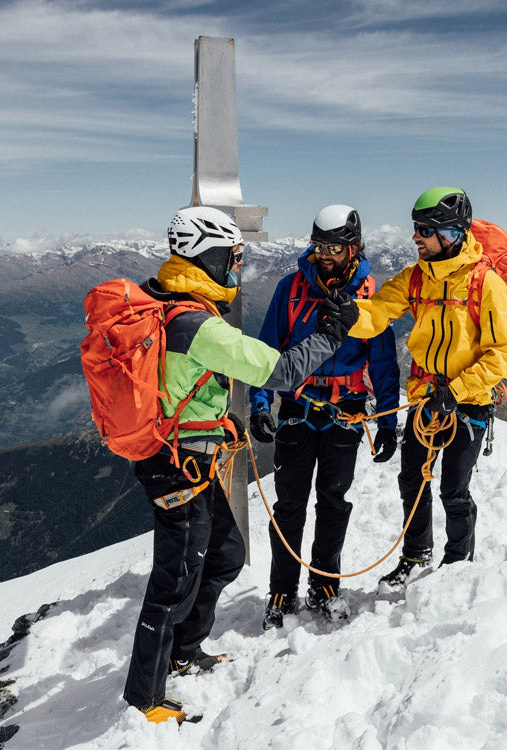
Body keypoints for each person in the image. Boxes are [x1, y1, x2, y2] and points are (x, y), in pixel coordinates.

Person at [121, 205, 360, 723]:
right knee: (174, 578)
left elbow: (182, 383)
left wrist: (215, 421)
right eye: (233, 257)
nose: (237, 266)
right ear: (207, 255)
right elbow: (280, 371)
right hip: (176, 466)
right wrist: (331, 335)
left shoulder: (174, 303)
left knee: (226, 553)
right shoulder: (196, 324)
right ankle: (145, 698)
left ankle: (183, 651)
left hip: (191, 455)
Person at [344, 187, 507, 589]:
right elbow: (377, 315)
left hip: (468, 403)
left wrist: (457, 390)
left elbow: (503, 356)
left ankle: (457, 567)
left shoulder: (485, 284)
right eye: (416, 228)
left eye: (424, 229)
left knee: (454, 490)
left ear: (452, 234)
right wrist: (345, 314)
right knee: (413, 480)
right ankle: (415, 554)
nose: (415, 237)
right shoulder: (416, 279)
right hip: (426, 398)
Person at [248, 204, 401, 630]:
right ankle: (281, 590)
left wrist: (388, 421)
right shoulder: (291, 288)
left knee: (333, 501)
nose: (325, 254)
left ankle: (324, 583)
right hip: (297, 409)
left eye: (334, 246)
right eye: (319, 245)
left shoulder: (370, 297)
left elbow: (384, 362)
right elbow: (266, 351)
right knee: (290, 504)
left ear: (354, 248)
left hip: (345, 412)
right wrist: (260, 404)